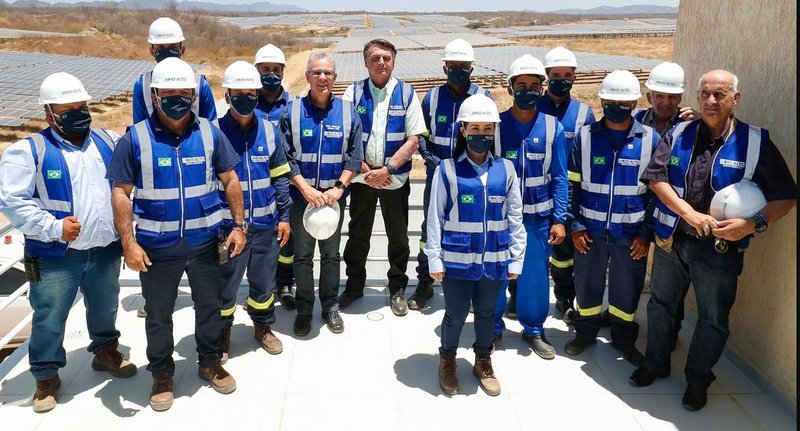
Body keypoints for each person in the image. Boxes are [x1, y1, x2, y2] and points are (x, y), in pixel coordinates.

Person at [630, 69, 796, 412]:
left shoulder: (754, 142)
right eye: (704, 93)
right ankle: (655, 363)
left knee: (713, 318)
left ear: (735, 98)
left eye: (719, 94)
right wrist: (688, 214)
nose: (710, 101)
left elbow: (786, 196)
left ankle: (697, 380)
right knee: (661, 305)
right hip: (672, 239)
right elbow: (655, 178)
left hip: (720, 250)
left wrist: (753, 224)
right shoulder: (679, 132)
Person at [108, 57, 246, 412]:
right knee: (158, 314)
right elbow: (121, 192)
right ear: (154, 96)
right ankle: (162, 375)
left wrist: (239, 226)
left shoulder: (209, 133)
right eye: (168, 93)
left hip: (204, 245)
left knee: (210, 309)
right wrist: (129, 243)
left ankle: (210, 363)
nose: (177, 98)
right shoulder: (134, 138)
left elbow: (231, 180)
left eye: (183, 93)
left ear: (193, 94)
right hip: (156, 249)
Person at [0, 73, 136, 413]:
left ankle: (105, 352)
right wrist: (52, 226)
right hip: (56, 254)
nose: (79, 112)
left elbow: (127, 186)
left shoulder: (108, 140)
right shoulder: (28, 151)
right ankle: (46, 376)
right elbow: (13, 201)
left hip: (105, 248)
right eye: (69, 108)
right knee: (50, 315)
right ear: (49, 114)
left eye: (82, 106)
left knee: (105, 305)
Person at [426, 93, 526, 396]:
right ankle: (448, 360)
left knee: (486, 314)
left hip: (495, 259)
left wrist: (516, 259)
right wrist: (435, 259)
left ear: (494, 131)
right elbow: (435, 218)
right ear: (463, 130)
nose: (481, 135)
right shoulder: (447, 169)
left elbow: (515, 218)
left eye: (487, 129)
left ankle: (483, 360)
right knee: (455, 314)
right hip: (457, 261)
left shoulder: (506, 169)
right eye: (475, 129)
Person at [564, 70, 662, 368]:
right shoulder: (585, 137)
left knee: (626, 290)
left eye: (624, 102)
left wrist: (646, 233)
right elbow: (571, 185)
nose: (616, 106)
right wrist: (576, 225)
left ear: (635, 104)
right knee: (587, 286)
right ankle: (585, 334)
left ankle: (623, 340)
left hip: (631, 234)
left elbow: (656, 193)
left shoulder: (651, 139)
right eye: (611, 101)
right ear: (602, 100)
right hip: (589, 232)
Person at [337, 39, 427, 316]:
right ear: (365, 62)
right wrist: (364, 169)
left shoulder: (407, 94)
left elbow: (414, 139)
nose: (381, 62)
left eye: (386, 58)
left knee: (398, 236)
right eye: (375, 58)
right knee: (357, 236)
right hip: (362, 178)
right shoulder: (353, 93)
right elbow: (346, 135)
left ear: (393, 61)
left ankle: (397, 288)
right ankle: (354, 285)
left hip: (394, 179)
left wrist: (387, 169)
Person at [280, 51, 363, 336]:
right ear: (307, 77)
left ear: (335, 78)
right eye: (316, 72)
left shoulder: (349, 111)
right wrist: (304, 187)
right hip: (301, 199)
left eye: (327, 73)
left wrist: (339, 188)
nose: (322, 77)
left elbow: (355, 155)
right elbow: (285, 156)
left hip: (332, 201)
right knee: (302, 257)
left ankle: (329, 307)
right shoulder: (290, 112)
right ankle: (305, 309)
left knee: (330, 256)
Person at [492, 55, 567, 360]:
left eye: (533, 86)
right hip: (500, 220)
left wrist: (559, 219)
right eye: (520, 85)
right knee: (496, 274)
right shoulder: (495, 126)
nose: (527, 90)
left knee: (535, 276)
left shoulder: (553, 127)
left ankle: (533, 329)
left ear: (541, 89)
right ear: (510, 88)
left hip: (537, 219)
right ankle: (492, 326)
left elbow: (561, 177)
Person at [216, 61, 292, 362]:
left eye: (251, 93)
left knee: (264, 282)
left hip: (266, 225)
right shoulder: (214, 133)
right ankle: (222, 332)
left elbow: (281, 176)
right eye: (239, 93)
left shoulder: (270, 131)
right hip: (228, 230)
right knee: (225, 285)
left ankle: (262, 327)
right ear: (227, 96)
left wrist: (284, 217)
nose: (245, 98)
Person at [411, 38, 492, 311]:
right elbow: (421, 134)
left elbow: (491, 135)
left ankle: (466, 281)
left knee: (470, 226)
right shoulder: (432, 97)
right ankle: (425, 282)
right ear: (445, 67)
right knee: (430, 229)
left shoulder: (483, 97)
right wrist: (434, 161)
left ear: (472, 68)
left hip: (472, 177)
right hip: (437, 176)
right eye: (454, 65)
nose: (459, 70)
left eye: (464, 66)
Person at [634, 61, 700, 351]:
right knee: (633, 266)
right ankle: (624, 317)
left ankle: (668, 334)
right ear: (649, 96)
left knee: (669, 282)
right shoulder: (635, 120)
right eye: (659, 95)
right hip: (637, 207)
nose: (666, 101)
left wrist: (699, 121)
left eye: (672, 96)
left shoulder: (690, 126)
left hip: (670, 213)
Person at [534, 46, 597, 324]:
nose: (562, 79)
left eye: (567, 74)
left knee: (564, 255)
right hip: (533, 193)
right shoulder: (531, 108)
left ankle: (563, 298)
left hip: (567, 196)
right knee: (528, 249)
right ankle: (517, 296)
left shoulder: (585, 114)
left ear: (574, 77)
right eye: (556, 74)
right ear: (547, 77)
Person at [253, 43, 298, 309]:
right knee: (260, 241)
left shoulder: (293, 104)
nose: (271, 74)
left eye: (275, 69)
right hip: (257, 185)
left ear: (283, 71)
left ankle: (285, 283)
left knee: (286, 241)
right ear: (257, 71)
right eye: (265, 69)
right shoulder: (246, 102)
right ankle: (263, 289)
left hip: (286, 184)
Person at [132, 17, 217, 125]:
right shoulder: (142, 86)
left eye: (172, 47)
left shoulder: (200, 85)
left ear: (182, 49)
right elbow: (140, 130)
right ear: (152, 51)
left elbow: (211, 130)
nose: (167, 52)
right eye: (160, 48)